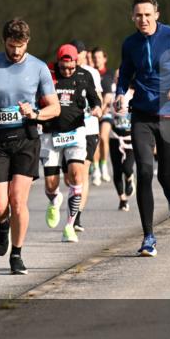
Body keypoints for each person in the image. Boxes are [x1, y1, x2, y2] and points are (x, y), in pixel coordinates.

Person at [0, 19, 59, 275]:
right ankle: (3, 223)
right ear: (4, 41)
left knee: (18, 200)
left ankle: (16, 254)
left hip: (26, 137)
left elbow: (55, 107)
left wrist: (36, 112)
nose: (16, 51)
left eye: (21, 46)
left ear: (27, 42)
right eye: (11, 45)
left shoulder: (38, 68)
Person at [114, 0, 170, 257]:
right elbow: (125, 73)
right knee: (143, 171)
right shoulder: (130, 44)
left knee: (167, 176)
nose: (143, 19)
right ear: (133, 17)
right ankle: (148, 237)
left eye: (147, 15)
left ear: (157, 14)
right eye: (138, 15)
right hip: (141, 115)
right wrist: (121, 94)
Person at [41, 44, 101, 243]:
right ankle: (54, 199)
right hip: (50, 132)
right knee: (51, 184)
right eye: (63, 67)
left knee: (76, 175)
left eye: (71, 67)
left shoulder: (84, 75)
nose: (67, 71)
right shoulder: (47, 73)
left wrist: (97, 109)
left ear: (76, 62)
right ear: (58, 62)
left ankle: (69, 226)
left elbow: (95, 99)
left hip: (76, 131)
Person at [70, 40, 103, 231]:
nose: (76, 56)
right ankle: (70, 204)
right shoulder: (63, 72)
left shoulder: (92, 73)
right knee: (71, 176)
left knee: (83, 173)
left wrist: (96, 109)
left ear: (84, 54)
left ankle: (77, 216)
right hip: (70, 129)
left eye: (79, 53)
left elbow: (97, 98)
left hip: (89, 128)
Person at [109, 88, 136, 211]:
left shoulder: (134, 94)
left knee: (127, 167)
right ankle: (122, 199)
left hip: (130, 138)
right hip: (114, 137)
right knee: (117, 170)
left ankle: (129, 178)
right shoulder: (112, 96)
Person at [92, 46, 114, 184]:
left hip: (106, 111)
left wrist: (103, 108)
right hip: (93, 112)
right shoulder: (90, 73)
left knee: (104, 137)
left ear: (104, 59)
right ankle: (95, 170)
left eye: (99, 57)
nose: (96, 60)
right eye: (94, 57)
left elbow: (108, 95)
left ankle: (104, 165)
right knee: (95, 140)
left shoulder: (109, 74)